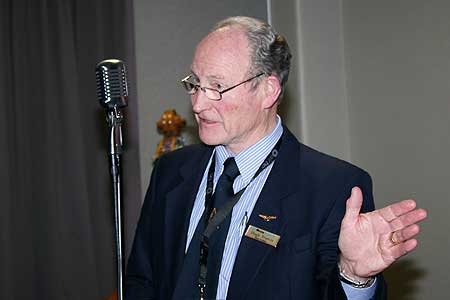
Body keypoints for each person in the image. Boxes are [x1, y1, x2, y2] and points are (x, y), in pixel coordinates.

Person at [125, 16, 427, 300]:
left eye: (217, 86)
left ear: (268, 91)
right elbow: (142, 280)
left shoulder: (334, 189)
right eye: (195, 83)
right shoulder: (171, 171)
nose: (199, 103)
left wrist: (353, 276)